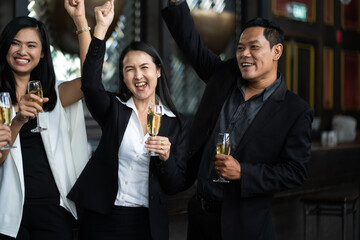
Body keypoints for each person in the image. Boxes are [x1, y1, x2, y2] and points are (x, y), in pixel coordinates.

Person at [162, 1, 314, 239]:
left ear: (277, 52)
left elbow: (294, 172)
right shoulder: (224, 76)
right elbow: (192, 46)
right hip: (200, 216)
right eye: (241, 48)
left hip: (244, 225)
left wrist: (243, 172)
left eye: (254, 47)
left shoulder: (295, 111)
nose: (244, 54)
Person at [67, 1, 189, 240]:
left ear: (158, 71)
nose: (138, 75)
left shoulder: (176, 123)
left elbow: (175, 185)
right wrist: (100, 28)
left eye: (145, 67)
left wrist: (166, 157)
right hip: (102, 216)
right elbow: (90, 85)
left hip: (145, 223)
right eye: (129, 69)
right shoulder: (115, 110)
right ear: (123, 76)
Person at [0, 0, 90, 238]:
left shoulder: (54, 95)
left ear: (41, 53)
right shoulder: (1, 102)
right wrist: (17, 121)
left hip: (53, 208)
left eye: (31, 45)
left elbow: (92, 82)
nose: (22, 51)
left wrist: (80, 21)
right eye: (15, 44)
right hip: (8, 212)